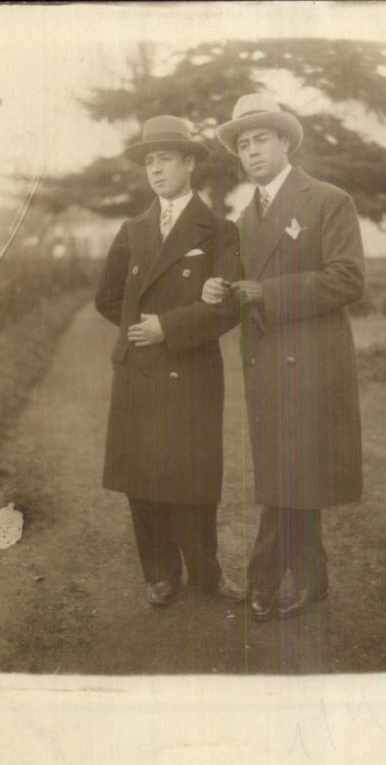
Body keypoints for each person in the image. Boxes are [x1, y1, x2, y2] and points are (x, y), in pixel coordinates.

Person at [204, 93, 364, 621]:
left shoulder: (327, 200)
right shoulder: (245, 219)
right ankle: (313, 581)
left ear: (285, 142)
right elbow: (242, 289)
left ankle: (264, 578)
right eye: (243, 144)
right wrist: (215, 294)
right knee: (291, 473)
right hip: (266, 363)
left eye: (261, 140)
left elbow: (347, 279)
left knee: (291, 474)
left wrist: (267, 293)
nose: (251, 152)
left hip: (313, 364)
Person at [95, 115, 243, 608]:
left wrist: (168, 328)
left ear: (189, 163)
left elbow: (229, 306)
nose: (155, 170)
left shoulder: (219, 229)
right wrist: (141, 330)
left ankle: (205, 573)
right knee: (144, 478)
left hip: (192, 369)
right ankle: (159, 573)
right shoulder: (133, 229)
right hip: (140, 370)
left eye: (165, 159)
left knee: (193, 476)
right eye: (149, 162)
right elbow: (107, 298)